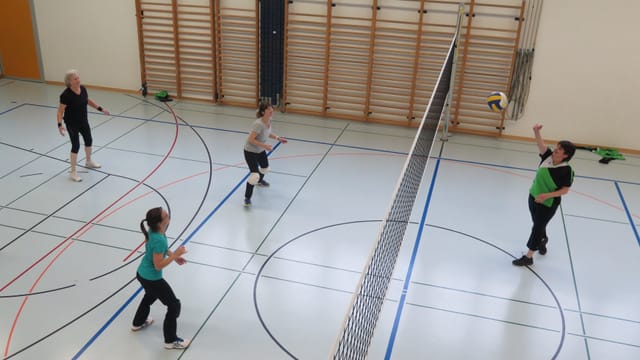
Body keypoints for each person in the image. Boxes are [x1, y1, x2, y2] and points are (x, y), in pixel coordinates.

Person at [513, 124, 576, 266]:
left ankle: (528, 257)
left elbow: (564, 190)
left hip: (548, 204)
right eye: (557, 147)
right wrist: (536, 131)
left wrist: (546, 196)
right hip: (533, 197)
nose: (556, 150)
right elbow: (540, 144)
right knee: (538, 224)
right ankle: (542, 239)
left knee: (536, 228)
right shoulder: (547, 157)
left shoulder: (566, 170)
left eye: (560, 149)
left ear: (566, 155)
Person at [131, 207, 190, 350]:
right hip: (152, 278)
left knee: (150, 295)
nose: (169, 216)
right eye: (166, 215)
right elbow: (158, 266)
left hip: (142, 273)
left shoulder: (154, 231)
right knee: (174, 305)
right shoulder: (158, 238)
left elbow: (160, 250)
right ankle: (171, 341)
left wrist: (173, 257)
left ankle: (138, 323)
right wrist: (175, 254)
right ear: (160, 222)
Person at [57, 69, 110, 182]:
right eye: (75, 79)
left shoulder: (83, 89)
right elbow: (60, 111)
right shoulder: (66, 95)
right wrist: (60, 124)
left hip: (83, 121)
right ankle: (73, 172)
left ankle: (88, 161)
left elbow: (87, 100)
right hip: (72, 123)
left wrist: (101, 109)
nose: (78, 80)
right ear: (69, 82)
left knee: (89, 140)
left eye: (78, 78)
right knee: (75, 145)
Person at [243, 102, 288, 206]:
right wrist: (265, 146)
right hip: (250, 151)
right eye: (268, 109)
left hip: (259, 150)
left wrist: (278, 138)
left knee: (265, 169)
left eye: (271, 108)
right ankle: (247, 198)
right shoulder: (258, 124)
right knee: (254, 176)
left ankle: (259, 181)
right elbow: (250, 139)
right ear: (263, 112)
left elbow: (267, 133)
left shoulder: (268, 120)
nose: (271, 110)